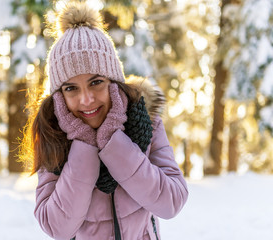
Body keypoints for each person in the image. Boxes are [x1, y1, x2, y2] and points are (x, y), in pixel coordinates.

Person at [19, 2, 188, 239]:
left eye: (96, 82)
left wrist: (114, 143)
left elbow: (171, 202)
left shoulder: (145, 121)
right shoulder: (54, 135)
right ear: (59, 96)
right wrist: (85, 146)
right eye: (71, 88)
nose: (86, 100)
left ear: (114, 82)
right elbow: (57, 227)